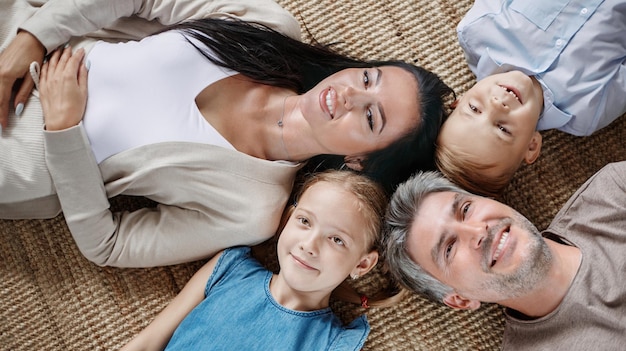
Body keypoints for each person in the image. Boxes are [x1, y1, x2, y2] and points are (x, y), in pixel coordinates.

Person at [0, 1, 454, 268]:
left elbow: (110, 245)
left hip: (16, 154)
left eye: (371, 118)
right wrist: (33, 38)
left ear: (360, 161)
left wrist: (64, 129)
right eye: (369, 78)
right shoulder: (269, 28)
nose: (349, 94)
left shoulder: (252, 209)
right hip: (17, 32)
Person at [66, 169, 398, 351]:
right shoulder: (229, 268)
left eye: (336, 239)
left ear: (363, 264)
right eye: (305, 221)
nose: (309, 246)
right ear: (287, 220)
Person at [383, 165, 626, 351]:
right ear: (460, 300)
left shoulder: (614, 192)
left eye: (466, 209)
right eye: (449, 248)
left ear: (488, 199)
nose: (479, 231)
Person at [435, 0, 626, 196]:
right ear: (532, 145)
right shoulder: (587, 113)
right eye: (503, 128)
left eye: (474, 109)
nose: (497, 105)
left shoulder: (477, 32)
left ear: (459, 100)